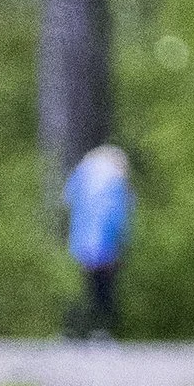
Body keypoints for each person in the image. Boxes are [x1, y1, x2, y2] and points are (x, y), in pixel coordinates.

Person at [60, 143, 132, 341]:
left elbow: (67, 199)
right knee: (103, 288)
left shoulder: (83, 175)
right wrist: (123, 242)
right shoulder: (115, 181)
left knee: (85, 285)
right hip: (106, 242)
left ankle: (73, 328)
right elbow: (118, 216)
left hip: (82, 242)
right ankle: (100, 330)